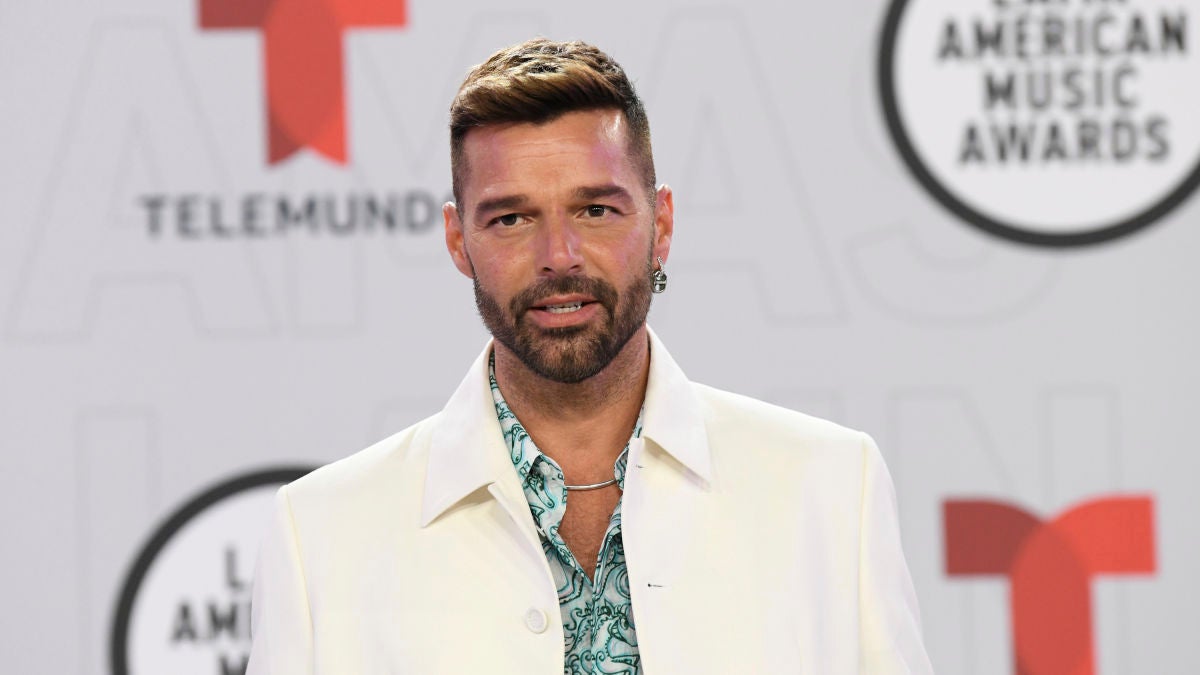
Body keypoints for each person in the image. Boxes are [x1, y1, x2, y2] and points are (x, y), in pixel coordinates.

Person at [247, 38, 932, 674]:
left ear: (661, 224)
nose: (559, 256)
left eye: (596, 210)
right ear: (458, 241)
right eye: (511, 218)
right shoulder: (324, 536)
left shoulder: (831, 489)